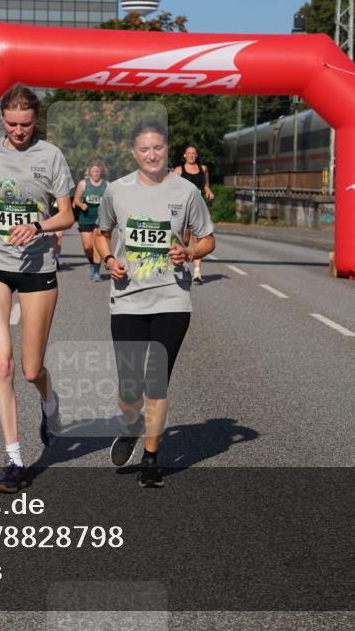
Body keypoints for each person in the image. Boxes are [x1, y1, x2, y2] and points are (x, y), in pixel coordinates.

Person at [0, 85, 75, 493]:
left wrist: (37, 226)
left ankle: (49, 398)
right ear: (0, 120)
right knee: (1, 362)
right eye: (11, 124)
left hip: (39, 266)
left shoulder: (51, 156)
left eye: (25, 124)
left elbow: (67, 215)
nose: (19, 131)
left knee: (29, 369)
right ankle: (14, 460)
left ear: (35, 120)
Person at [96, 120, 215, 488]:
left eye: (159, 148)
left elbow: (208, 239)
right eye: (145, 149)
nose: (152, 155)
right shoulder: (116, 190)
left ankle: (151, 458)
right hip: (128, 299)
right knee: (130, 387)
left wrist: (190, 249)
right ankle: (131, 426)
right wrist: (108, 260)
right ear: (134, 153)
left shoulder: (186, 191)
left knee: (156, 381)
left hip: (172, 299)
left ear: (168, 149)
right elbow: (102, 235)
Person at [173, 145, 215, 282]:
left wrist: (208, 191)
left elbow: (205, 185)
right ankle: (181, 264)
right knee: (184, 239)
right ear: (184, 155)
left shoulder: (203, 169)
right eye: (189, 153)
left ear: (196, 155)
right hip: (183, 209)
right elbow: (172, 189)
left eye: (194, 153)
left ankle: (197, 272)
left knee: (199, 239)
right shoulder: (179, 171)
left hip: (197, 208)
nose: (191, 155)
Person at [72, 160, 107, 281]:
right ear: (90, 172)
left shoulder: (107, 185)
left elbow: (112, 201)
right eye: (93, 171)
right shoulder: (83, 184)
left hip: (100, 219)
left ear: (101, 172)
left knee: (97, 246)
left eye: (98, 171)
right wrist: (82, 205)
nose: (96, 173)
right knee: (88, 246)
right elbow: (76, 200)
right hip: (85, 217)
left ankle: (97, 271)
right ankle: (91, 263)